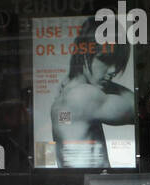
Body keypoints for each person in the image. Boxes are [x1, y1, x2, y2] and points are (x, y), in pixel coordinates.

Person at [51, 18, 135, 168]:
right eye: (105, 59)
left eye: (117, 61)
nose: (113, 71)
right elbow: (138, 107)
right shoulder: (82, 96)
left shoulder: (68, 93)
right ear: (84, 54)